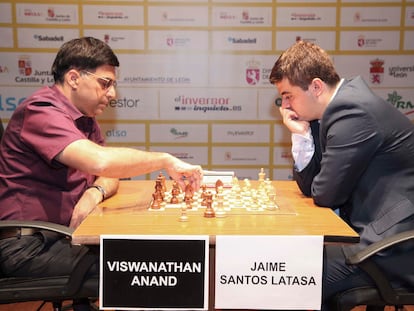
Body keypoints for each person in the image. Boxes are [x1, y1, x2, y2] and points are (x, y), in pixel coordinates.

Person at [0, 37, 203, 310]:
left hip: (65, 235)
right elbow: (101, 162)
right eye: (105, 83)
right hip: (29, 245)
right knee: (149, 265)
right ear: (73, 78)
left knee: (152, 254)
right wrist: (164, 160)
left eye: (113, 85)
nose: (112, 95)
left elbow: (109, 174)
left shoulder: (83, 117)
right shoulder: (41, 112)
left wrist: (94, 193)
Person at [269, 40, 414, 310]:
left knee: (287, 278)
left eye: (288, 95)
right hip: (375, 232)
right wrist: (301, 135)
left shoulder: (352, 113)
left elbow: (324, 194)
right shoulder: (339, 108)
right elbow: (311, 185)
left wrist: (304, 139)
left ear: (315, 86)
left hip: (393, 247)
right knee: (290, 267)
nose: (285, 106)